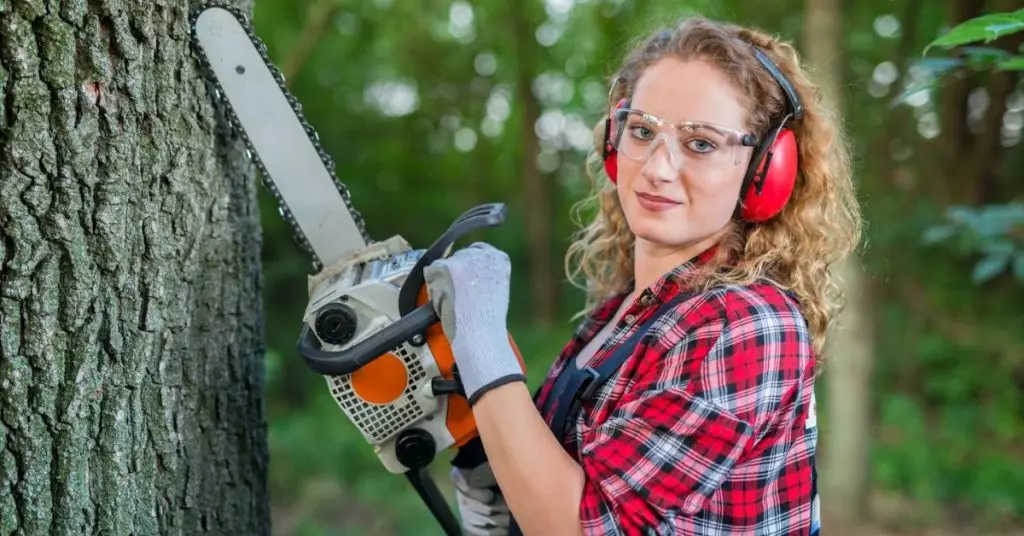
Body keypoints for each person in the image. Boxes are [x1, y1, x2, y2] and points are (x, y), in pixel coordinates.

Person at [422, 15, 862, 536]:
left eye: (701, 143)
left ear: (766, 169)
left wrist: (482, 342)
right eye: (643, 131)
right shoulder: (629, 311)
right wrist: (491, 467)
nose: (657, 168)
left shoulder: (747, 325)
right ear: (615, 141)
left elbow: (582, 527)